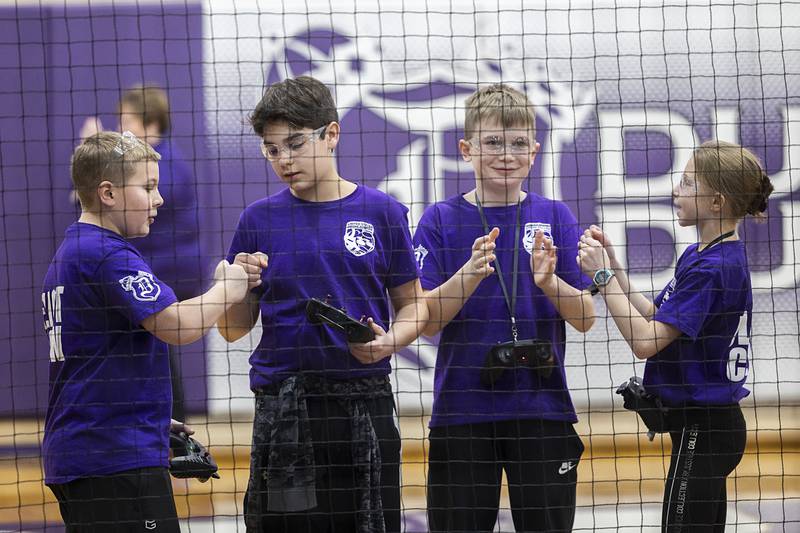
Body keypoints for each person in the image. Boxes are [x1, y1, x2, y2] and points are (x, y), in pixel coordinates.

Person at [217, 76, 427, 533]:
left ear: (331, 134)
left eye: (294, 143)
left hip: (363, 404)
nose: (283, 160)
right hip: (283, 410)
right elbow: (233, 329)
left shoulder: (383, 213)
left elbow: (416, 307)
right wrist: (237, 285)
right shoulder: (256, 219)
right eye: (272, 150)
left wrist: (389, 342)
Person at [41, 131, 261, 532]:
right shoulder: (107, 255)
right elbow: (175, 325)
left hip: (91, 449)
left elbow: (97, 359)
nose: (159, 199)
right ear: (107, 193)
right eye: (148, 187)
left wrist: (148, 416)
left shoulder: (74, 250)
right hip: (112, 458)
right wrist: (228, 288)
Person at [413, 84, 596, 532]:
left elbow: (585, 317)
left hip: (541, 409)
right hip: (462, 410)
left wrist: (549, 281)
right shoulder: (439, 219)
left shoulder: (555, 215)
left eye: (518, 144)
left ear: (534, 152)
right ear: (466, 149)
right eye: (493, 142)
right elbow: (425, 321)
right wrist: (469, 274)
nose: (506, 154)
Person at [577, 140, 774, 531]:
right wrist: (614, 268)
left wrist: (601, 278)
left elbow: (645, 341)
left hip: (706, 427)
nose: (675, 191)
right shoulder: (703, 255)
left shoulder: (713, 268)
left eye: (686, 183)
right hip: (705, 424)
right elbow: (655, 314)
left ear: (716, 202)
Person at [80, 84, 205, 420]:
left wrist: (96, 148)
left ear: (151, 126)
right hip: (161, 268)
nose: (121, 129)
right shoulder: (147, 164)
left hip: (169, 271)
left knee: (160, 343)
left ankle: (171, 428)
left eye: (127, 121)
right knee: (154, 347)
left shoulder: (165, 167)